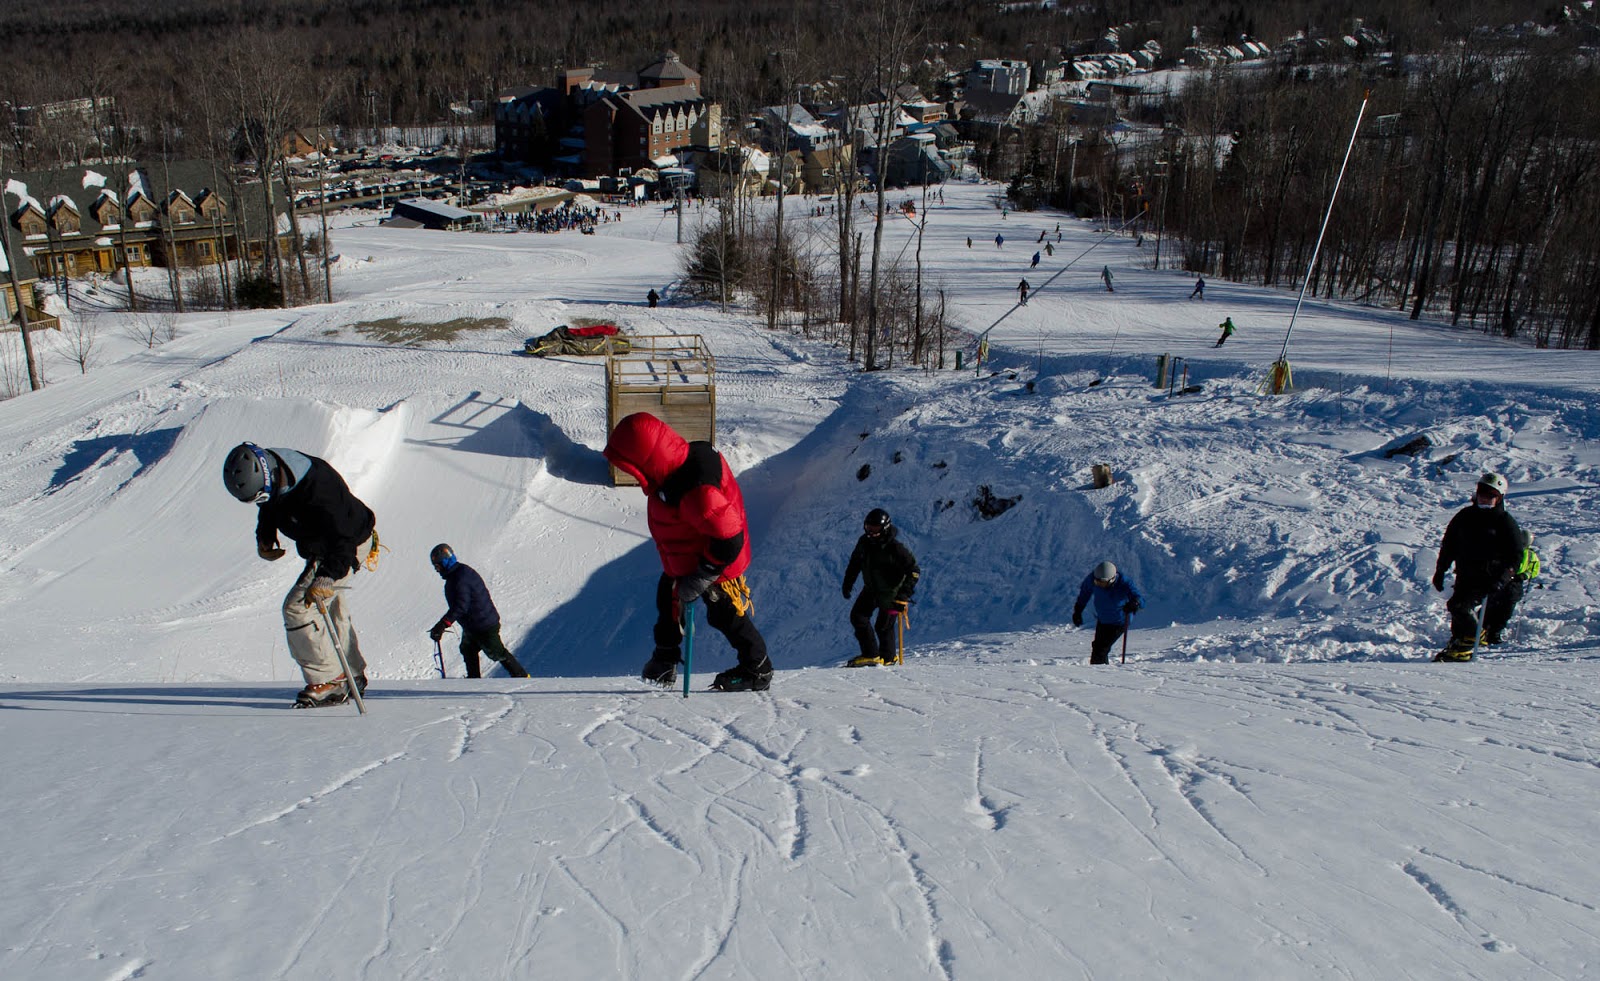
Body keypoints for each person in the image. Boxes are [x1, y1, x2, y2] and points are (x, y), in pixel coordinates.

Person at [603, 412, 773, 691]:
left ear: (645, 458)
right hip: (687, 556)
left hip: (715, 564)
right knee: (667, 599)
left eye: (630, 466)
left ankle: (758, 668)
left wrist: (703, 574)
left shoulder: (697, 491)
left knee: (724, 614)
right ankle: (665, 659)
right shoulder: (673, 469)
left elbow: (729, 537)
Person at [223, 443, 374, 707]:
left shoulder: (319, 487)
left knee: (299, 608)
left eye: (260, 496)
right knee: (331, 608)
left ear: (269, 476)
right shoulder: (275, 473)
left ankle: (330, 681)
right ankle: (352, 675)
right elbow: (270, 504)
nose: (260, 502)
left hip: (346, 545)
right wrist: (266, 536)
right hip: (327, 545)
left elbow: (343, 538)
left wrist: (327, 576)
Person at [1432, 473, 1523, 660]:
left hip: (1490, 577)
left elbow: (1515, 556)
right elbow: (1449, 545)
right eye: (1482, 493)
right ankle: (1458, 647)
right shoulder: (1465, 517)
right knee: (1457, 611)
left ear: (1500, 497)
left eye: (1491, 495)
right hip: (1466, 573)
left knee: (1459, 607)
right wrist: (1441, 570)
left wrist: (1503, 578)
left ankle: (1474, 637)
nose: (1485, 498)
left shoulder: (1504, 521)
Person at [427, 544, 530, 678]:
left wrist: (443, 624)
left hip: (484, 625)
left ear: (446, 562)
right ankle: (474, 681)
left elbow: (461, 606)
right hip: (474, 625)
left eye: (438, 565)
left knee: (496, 652)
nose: (437, 570)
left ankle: (522, 677)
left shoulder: (460, 578)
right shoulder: (457, 574)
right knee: (467, 649)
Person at [843, 509, 921, 667]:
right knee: (858, 617)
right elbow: (855, 563)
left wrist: (903, 595)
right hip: (871, 589)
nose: (870, 531)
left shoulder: (895, 548)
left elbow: (914, 570)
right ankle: (872, 655)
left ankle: (888, 658)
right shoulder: (864, 542)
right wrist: (848, 583)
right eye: (868, 527)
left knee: (883, 626)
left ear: (885, 528)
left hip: (891, 594)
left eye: (875, 528)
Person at [1072, 561, 1143, 665]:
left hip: (1119, 621)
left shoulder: (1124, 583)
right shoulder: (1093, 578)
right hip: (1103, 620)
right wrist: (1078, 610)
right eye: (1097, 582)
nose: (1099, 585)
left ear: (1112, 579)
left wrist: (1135, 603)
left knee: (1100, 650)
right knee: (1097, 647)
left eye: (1102, 583)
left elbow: (1139, 598)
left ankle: (1100, 674)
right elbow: (1085, 592)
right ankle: (1101, 673)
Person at [1480, 529, 1540, 646]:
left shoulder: (1530, 555)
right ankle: (1481, 630)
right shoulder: (1506, 550)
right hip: (1501, 581)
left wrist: (1524, 575)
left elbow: (1534, 569)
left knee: (1505, 611)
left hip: (1515, 585)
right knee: (1491, 607)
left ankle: (1494, 634)